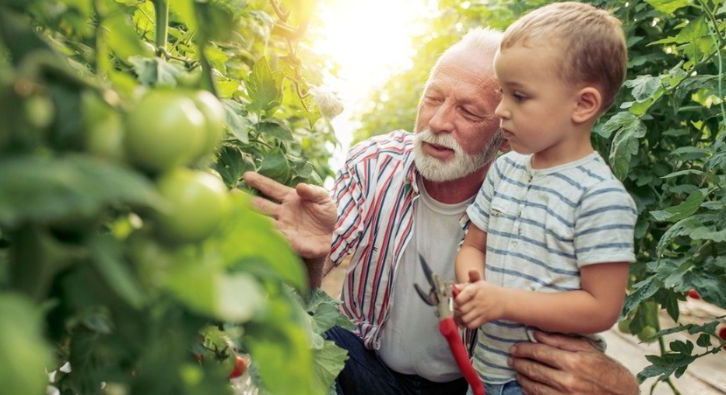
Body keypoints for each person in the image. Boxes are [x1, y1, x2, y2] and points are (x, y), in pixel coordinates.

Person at [244, 27, 639, 395]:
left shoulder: (534, 197)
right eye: (434, 98)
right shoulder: (373, 163)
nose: (437, 121)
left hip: (470, 383)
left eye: (468, 112)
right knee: (302, 335)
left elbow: (577, 317)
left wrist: (620, 383)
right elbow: (310, 292)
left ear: (505, 135)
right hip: (370, 367)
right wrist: (311, 256)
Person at [453, 3, 636, 395]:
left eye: (519, 96)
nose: (500, 110)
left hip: (542, 382)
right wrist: (474, 286)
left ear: (583, 104)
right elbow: (473, 246)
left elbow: (601, 308)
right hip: (483, 370)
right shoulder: (504, 171)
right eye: (502, 92)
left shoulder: (600, 197)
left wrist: (502, 302)